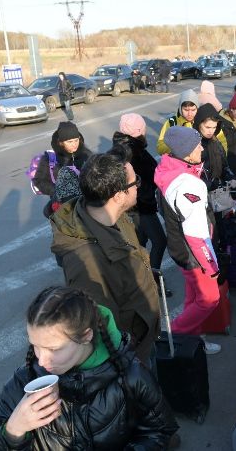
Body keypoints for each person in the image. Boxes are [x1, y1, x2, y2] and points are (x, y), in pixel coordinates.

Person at [0, 286, 178, 450]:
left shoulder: (131, 377)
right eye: (34, 345)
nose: (41, 360)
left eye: (53, 349)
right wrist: (13, 430)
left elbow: (160, 430)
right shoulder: (22, 383)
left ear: (86, 336)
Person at [50, 153, 161, 364]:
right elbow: (101, 333)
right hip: (131, 359)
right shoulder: (86, 264)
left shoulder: (116, 217)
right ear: (119, 195)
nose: (138, 184)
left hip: (144, 339)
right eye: (134, 181)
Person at [154, 127, 222, 354]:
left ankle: (192, 343)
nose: (202, 148)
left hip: (180, 248)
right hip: (193, 252)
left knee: (194, 298)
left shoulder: (171, 170)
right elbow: (195, 233)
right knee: (209, 299)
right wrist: (210, 264)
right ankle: (174, 336)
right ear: (186, 152)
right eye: (197, 145)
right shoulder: (188, 184)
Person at [112, 113, 167, 276]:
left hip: (133, 207)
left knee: (139, 243)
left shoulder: (122, 148)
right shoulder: (134, 152)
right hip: (141, 207)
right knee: (159, 241)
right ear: (139, 131)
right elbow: (140, 181)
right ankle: (153, 279)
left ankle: (142, 277)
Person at [32, 121, 93, 217]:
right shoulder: (49, 159)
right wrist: (58, 191)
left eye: (76, 140)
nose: (74, 144)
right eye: (70, 142)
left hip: (85, 203)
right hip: (62, 205)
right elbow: (38, 181)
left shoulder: (85, 154)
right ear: (61, 143)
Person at [156, 89, 200, 155]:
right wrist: (175, 145)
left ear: (197, 108)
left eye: (193, 110)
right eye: (186, 110)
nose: (190, 114)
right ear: (180, 108)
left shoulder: (202, 121)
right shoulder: (172, 122)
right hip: (178, 162)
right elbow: (160, 147)